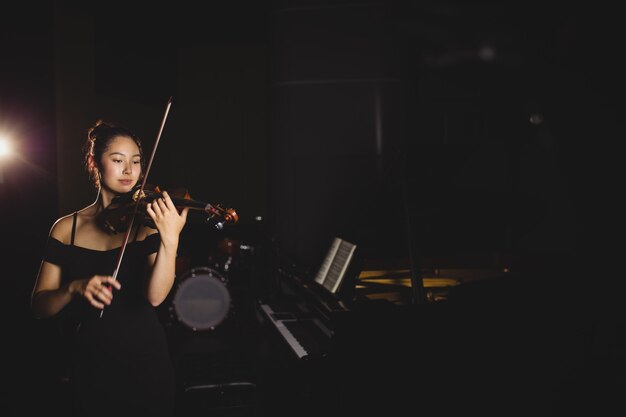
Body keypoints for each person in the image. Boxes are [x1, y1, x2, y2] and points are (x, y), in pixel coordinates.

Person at [31, 120, 189, 416]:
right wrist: (72, 288)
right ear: (94, 163)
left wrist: (170, 239)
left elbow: (155, 297)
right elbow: (40, 306)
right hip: (89, 365)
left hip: (146, 364)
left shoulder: (148, 224)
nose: (129, 171)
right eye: (118, 161)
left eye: (136, 162)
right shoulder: (66, 228)